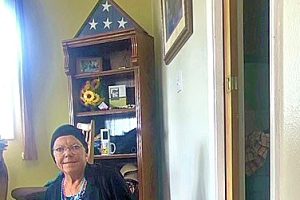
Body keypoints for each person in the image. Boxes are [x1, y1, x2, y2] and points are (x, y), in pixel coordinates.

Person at [45, 124, 132, 200]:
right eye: (60, 149)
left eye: (75, 147)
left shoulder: (109, 178)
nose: (68, 154)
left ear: (86, 152)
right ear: (54, 157)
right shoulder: (51, 191)